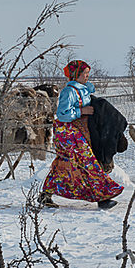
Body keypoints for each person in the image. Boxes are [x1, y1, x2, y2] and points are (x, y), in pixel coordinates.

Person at [39, 60, 123, 209]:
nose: (87, 77)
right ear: (75, 75)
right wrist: (81, 111)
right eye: (84, 74)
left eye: (88, 74)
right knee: (88, 162)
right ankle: (103, 198)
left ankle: (45, 195)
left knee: (65, 164)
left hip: (77, 130)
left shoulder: (83, 90)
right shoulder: (68, 91)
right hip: (67, 132)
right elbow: (62, 114)